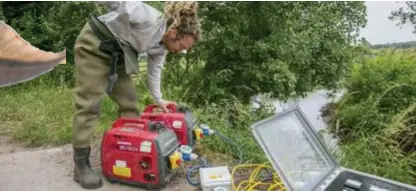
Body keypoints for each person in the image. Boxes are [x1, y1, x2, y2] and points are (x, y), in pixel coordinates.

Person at [71, 1, 201, 189]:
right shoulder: (147, 17)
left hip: (120, 54)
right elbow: (118, 2)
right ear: (174, 32)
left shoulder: (162, 46)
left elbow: (154, 72)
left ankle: (128, 157)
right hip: (95, 45)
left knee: (130, 103)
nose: (181, 51)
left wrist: (159, 99)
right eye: (182, 46)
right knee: (89, 105)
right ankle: (80, 166)